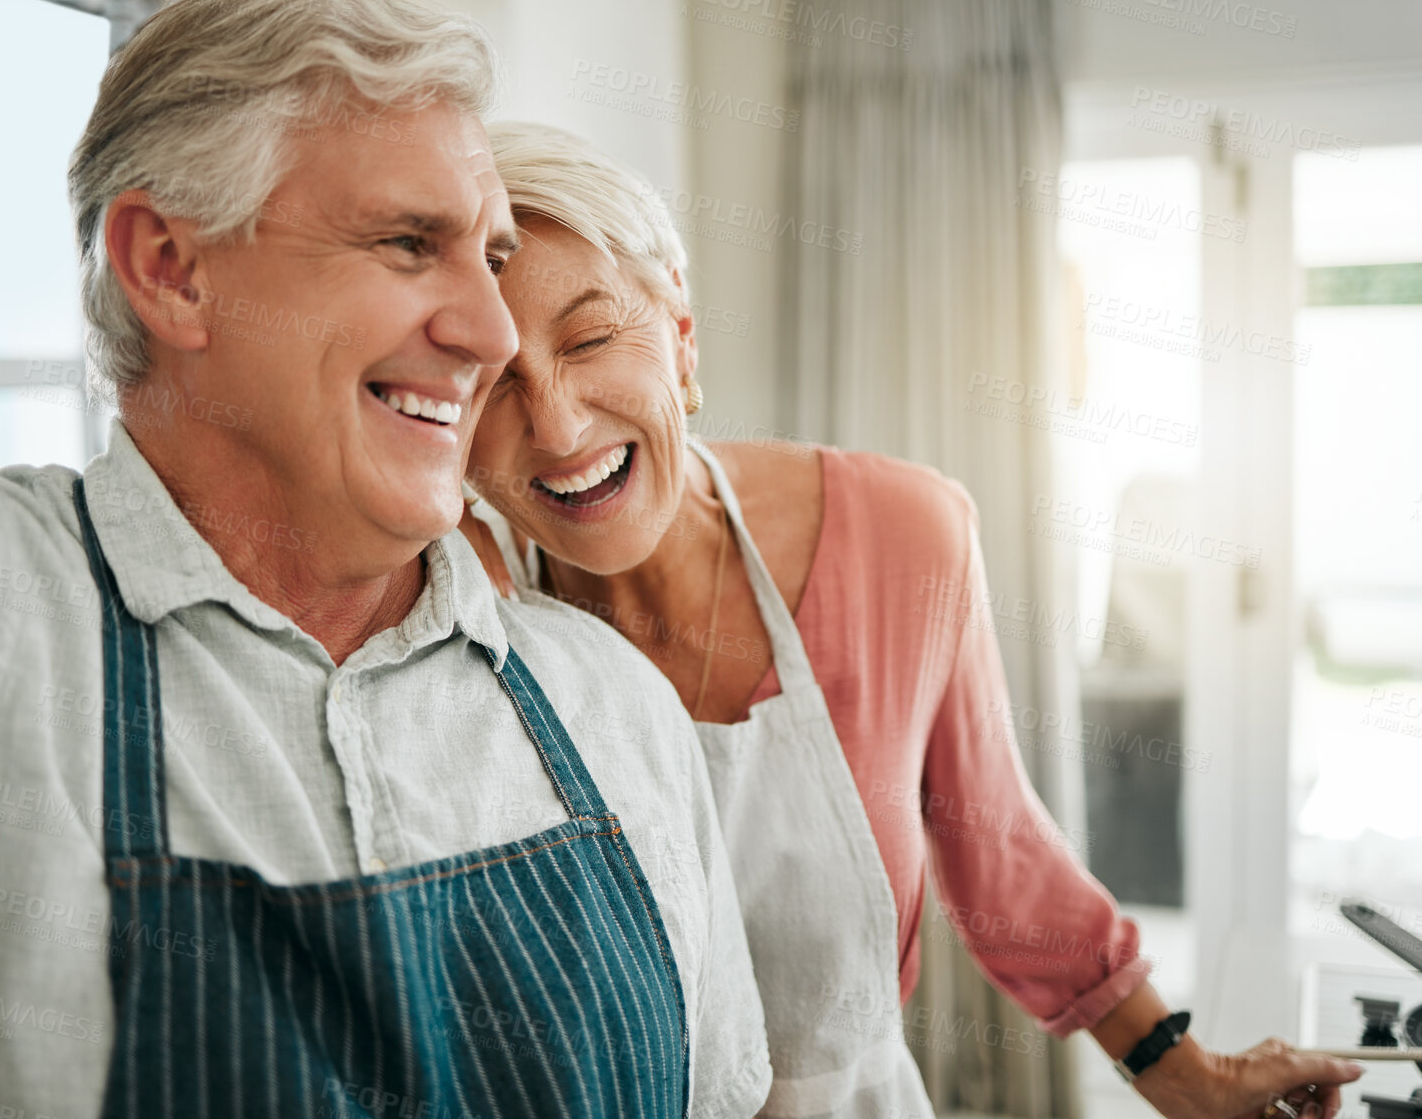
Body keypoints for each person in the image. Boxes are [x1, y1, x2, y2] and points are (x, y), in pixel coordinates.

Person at [0, 0, 774, 1119]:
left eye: (491, 254)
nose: (491, 330)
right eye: (409, 243)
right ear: (170, 267)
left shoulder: (610, 708)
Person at [459, 120, 1365, 1119]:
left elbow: (1000, 853)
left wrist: (1188, 1077)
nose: (555, 425)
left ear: (679, 336)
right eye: (491, 379)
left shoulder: (896, 534)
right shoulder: (462, 619)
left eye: (590, 340)